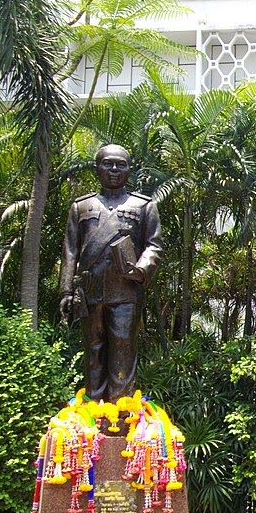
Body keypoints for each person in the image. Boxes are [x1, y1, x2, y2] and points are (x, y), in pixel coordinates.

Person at [60, 144, 164, 403]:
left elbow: (154, 245)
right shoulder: (81, 206)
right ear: (97, 168)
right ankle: (94, 409)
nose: (114, 169)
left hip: (125, 292)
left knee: (122, 350)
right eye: (108, 163)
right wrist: (65, 291)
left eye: (121, 164)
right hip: (89, 291)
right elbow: (70, 251)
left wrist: (140, 269)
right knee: (93, 352)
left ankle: (121, 409)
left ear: (130, 169)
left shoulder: (143, 206)